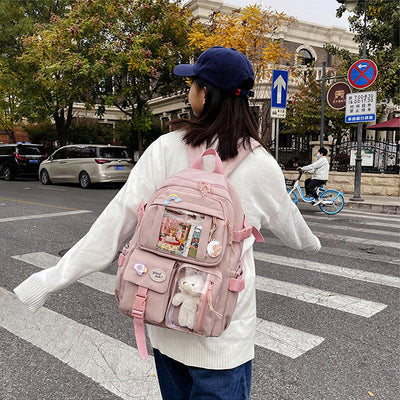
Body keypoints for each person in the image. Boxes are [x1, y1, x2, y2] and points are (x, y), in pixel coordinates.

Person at [13, 46, 321, 400]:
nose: (189, 92)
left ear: (205, 94)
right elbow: (295, 232)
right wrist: (313, 243)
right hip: (221, 332)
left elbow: (115, 223)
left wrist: (50, 279)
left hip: (164, 314)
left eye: (192, 84)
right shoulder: (262, 164)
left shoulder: (165, 148)